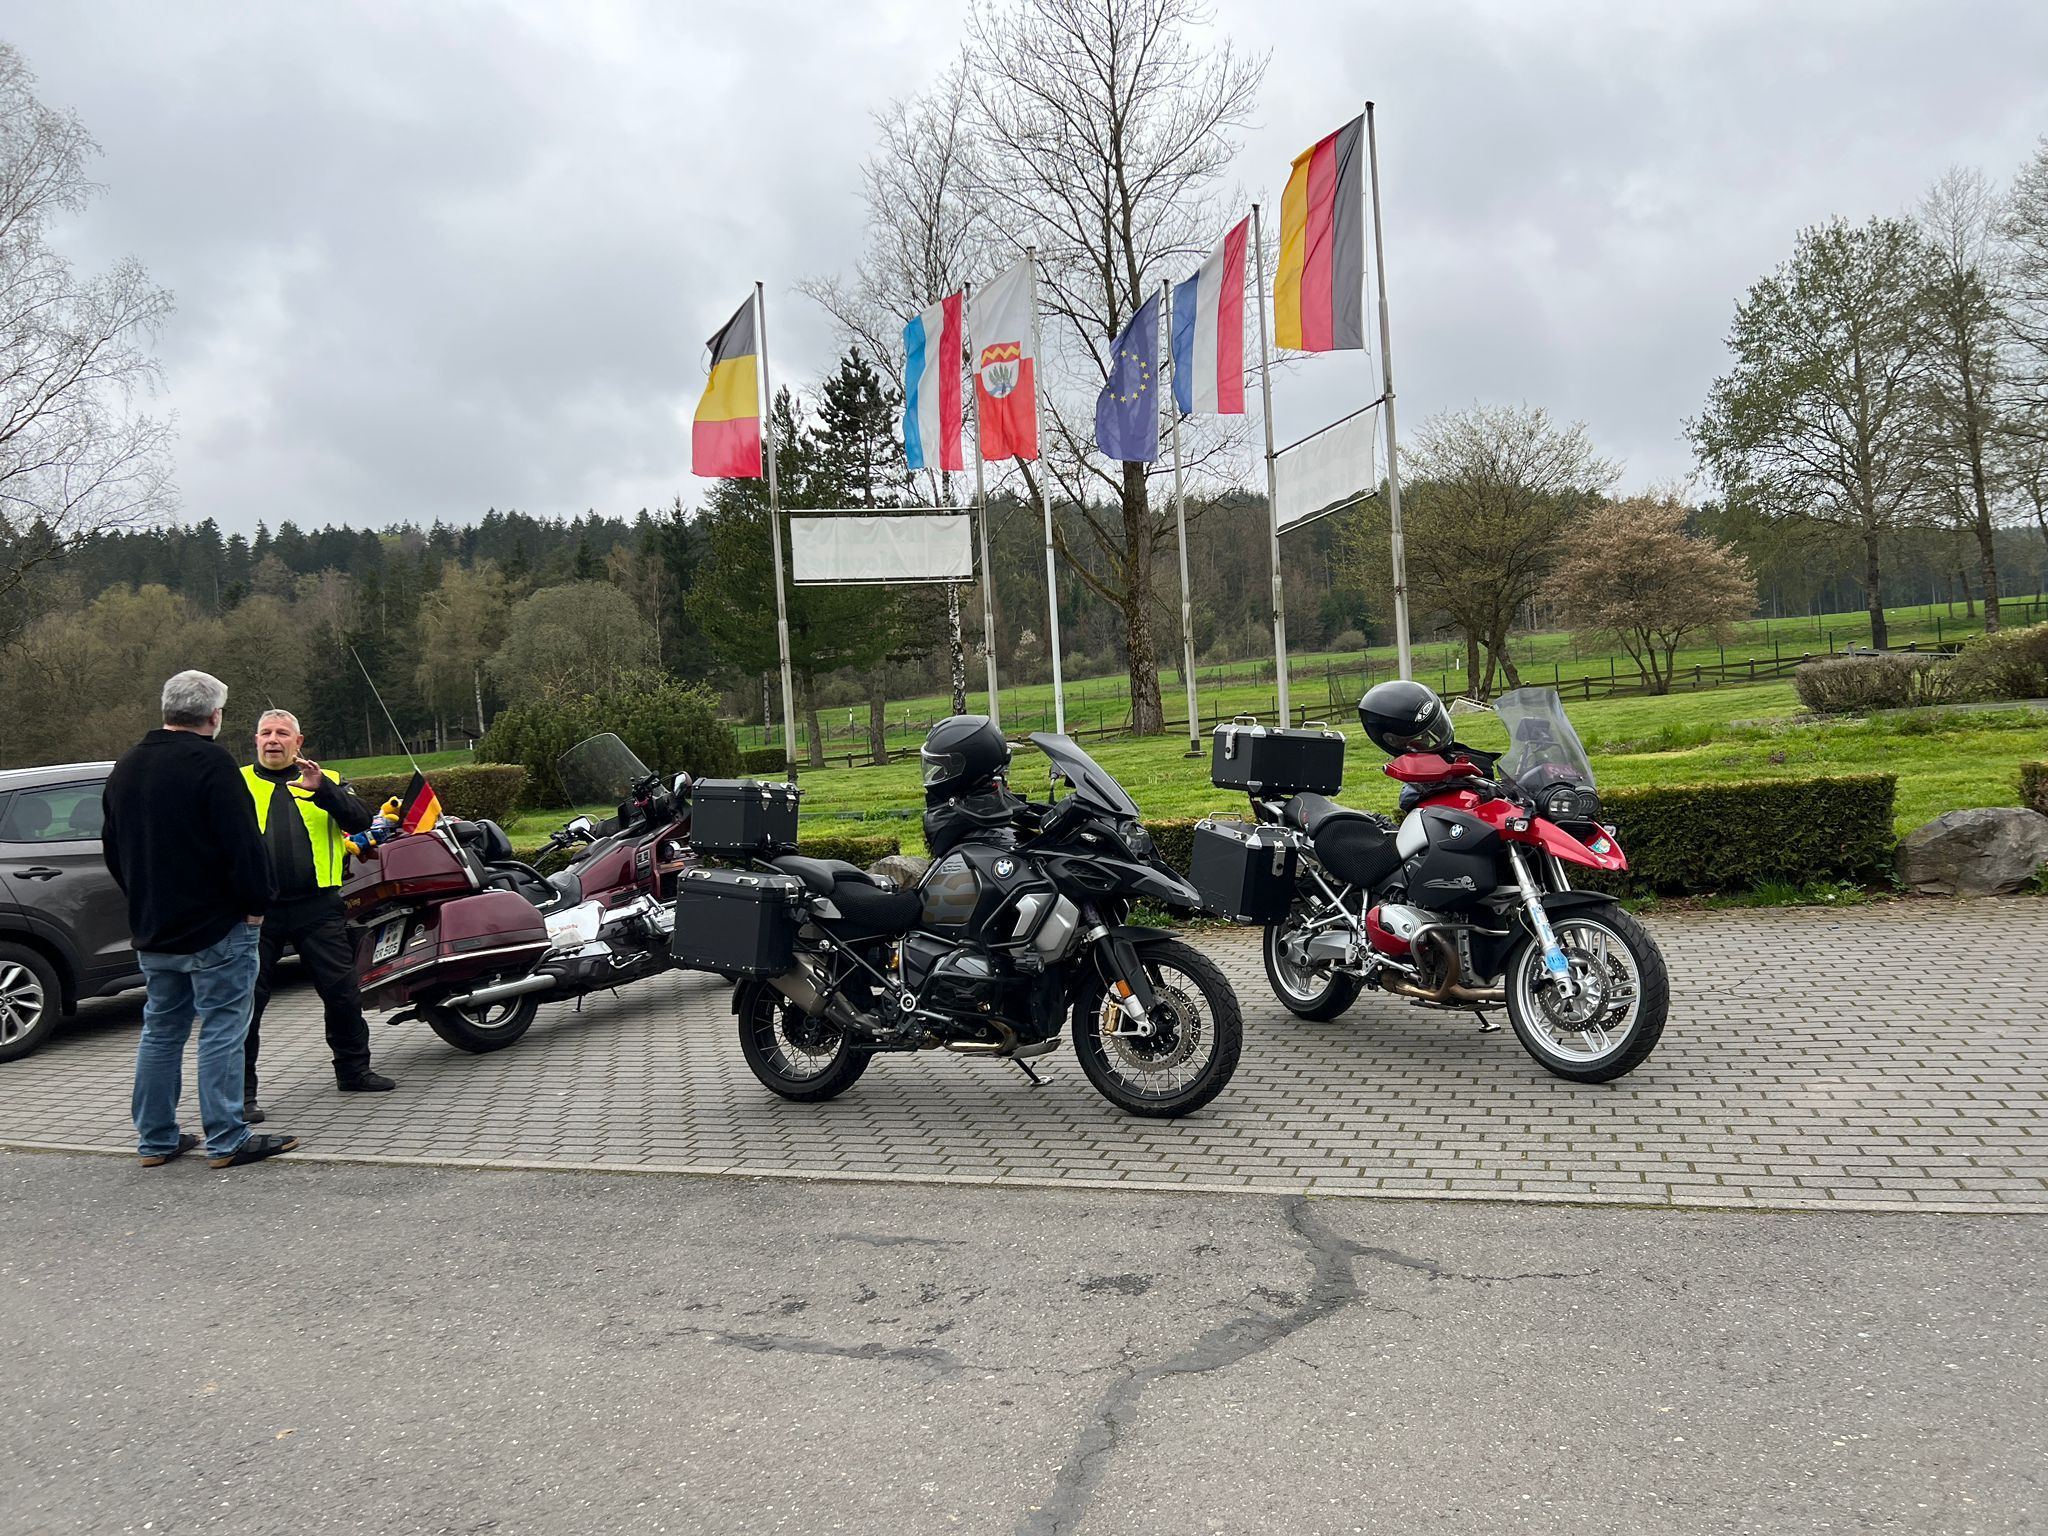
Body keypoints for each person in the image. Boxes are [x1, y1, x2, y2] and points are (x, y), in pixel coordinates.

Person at [102, 671, 298, 1169]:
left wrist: (142, 898)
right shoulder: (212, 763)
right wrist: (257, 904)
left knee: (161, 1030)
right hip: (217, 927)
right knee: (222, 1029)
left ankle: (156, 1139)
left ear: (167, 708)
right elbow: (242, 844)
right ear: (215, 716)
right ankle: (227, 1137)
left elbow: (113, 848)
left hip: (154, 927)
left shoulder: (127, 764)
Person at [241, 708, 396, 1116]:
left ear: (298, 742)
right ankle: (241, 1096)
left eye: (282, 733)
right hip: (257, 913)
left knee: (342, 993)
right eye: (265, 733)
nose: (272, 740)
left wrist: (324, 790)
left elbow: (361, 820)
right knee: (246, 1002)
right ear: (256, 740)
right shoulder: (236, 782)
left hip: (318, 906)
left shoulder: (326, 779)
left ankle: (354, 1071)